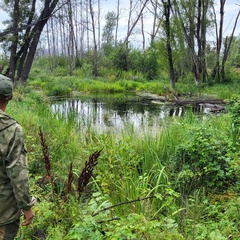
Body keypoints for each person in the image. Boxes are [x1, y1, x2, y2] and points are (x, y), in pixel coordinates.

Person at [0, 74, 36, 240]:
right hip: (3, 213)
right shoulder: (12, 130)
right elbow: (17, 174)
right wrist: (27, 207)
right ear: (11, 97)